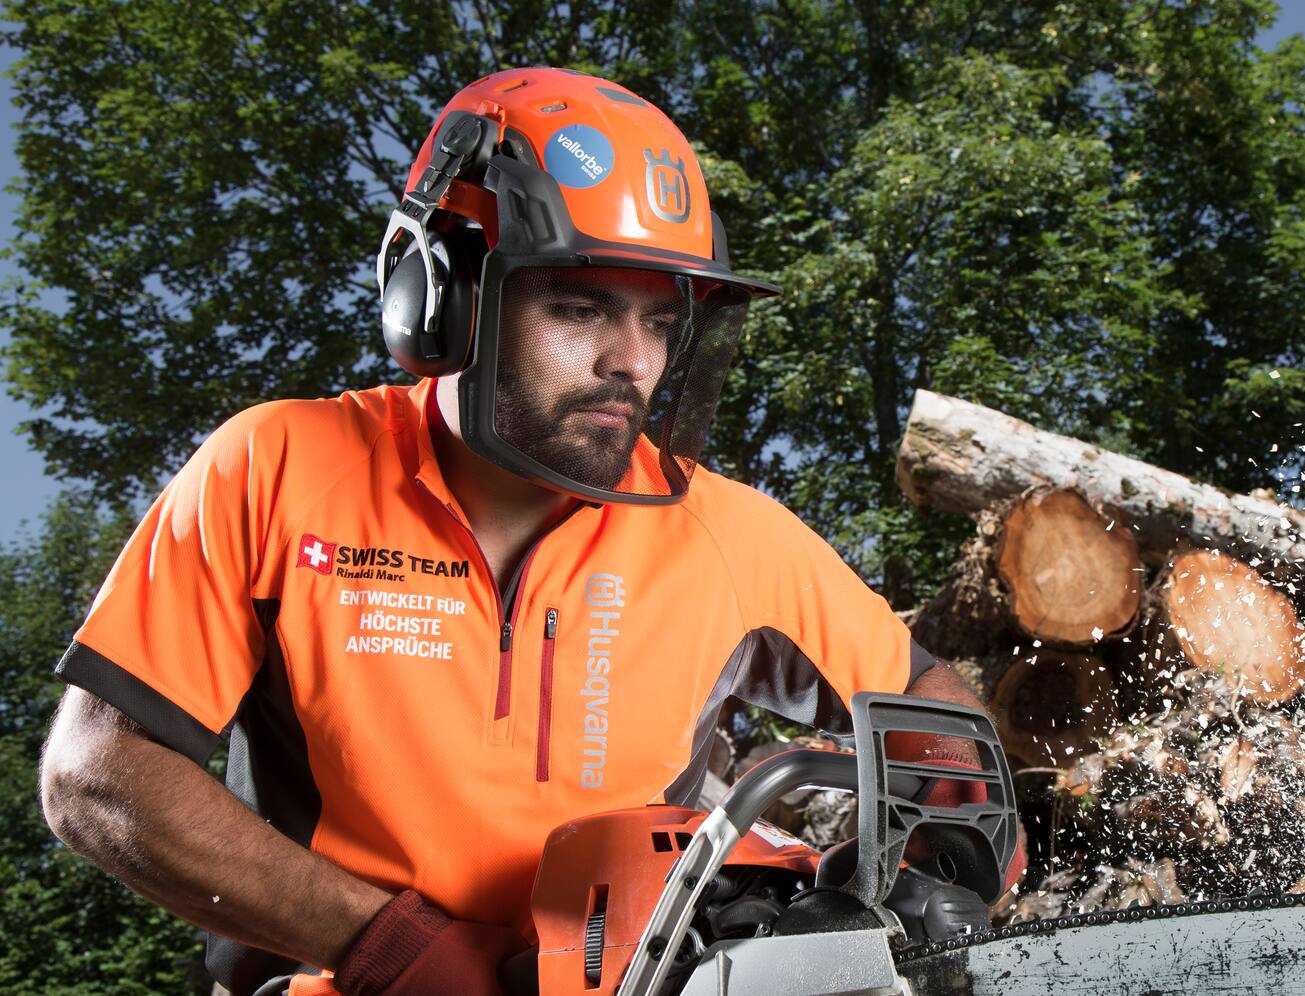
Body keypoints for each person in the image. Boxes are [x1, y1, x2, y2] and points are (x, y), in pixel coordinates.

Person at [37, 67, 1005, 996]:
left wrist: (924, 866)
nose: (632, 361)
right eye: (579, 307)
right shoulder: (279, 468)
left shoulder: (728, 535)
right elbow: (100, 775)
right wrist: (384, 947)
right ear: (442, 295)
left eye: (660, 322)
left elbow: (929, 702)